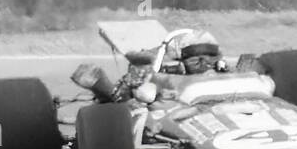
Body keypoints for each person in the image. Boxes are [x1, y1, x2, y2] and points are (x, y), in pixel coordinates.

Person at [71, 28, 229, 103]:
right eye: (196, 57)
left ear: (217, 57)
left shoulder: (227, 75)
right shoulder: (160, 77)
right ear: (183, 59)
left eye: (209, 56)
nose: (203, 62)